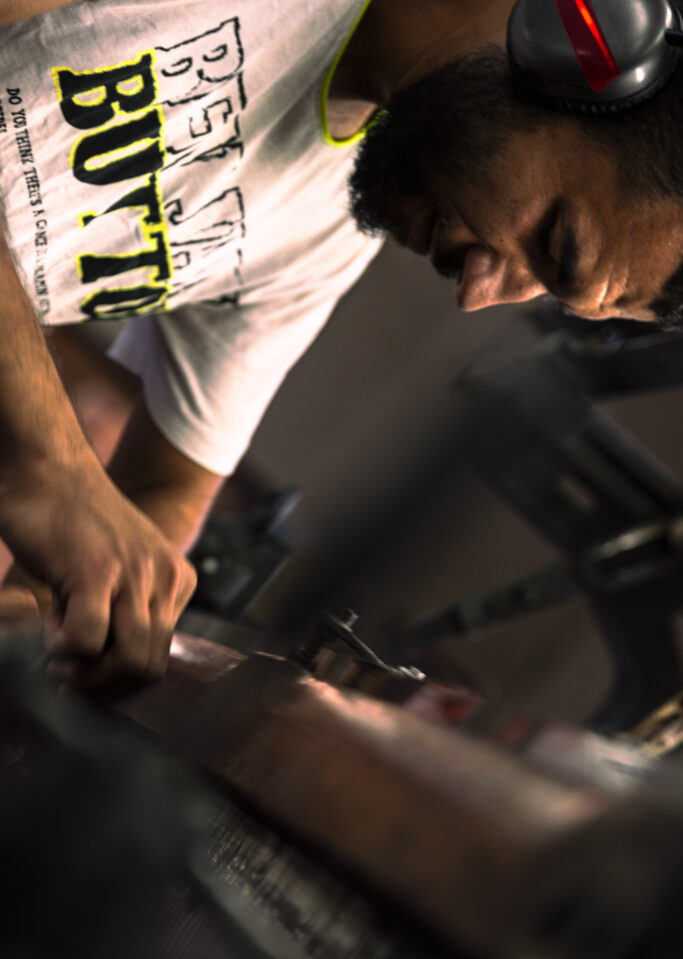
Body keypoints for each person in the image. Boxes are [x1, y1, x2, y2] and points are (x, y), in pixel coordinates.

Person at [0, 0, 681, 683]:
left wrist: (74, 601)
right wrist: (50, 463)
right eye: (551, 245)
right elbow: (54, 475)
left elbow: (169, 479)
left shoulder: (323, 238)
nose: (476, 294)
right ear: (581, 40)